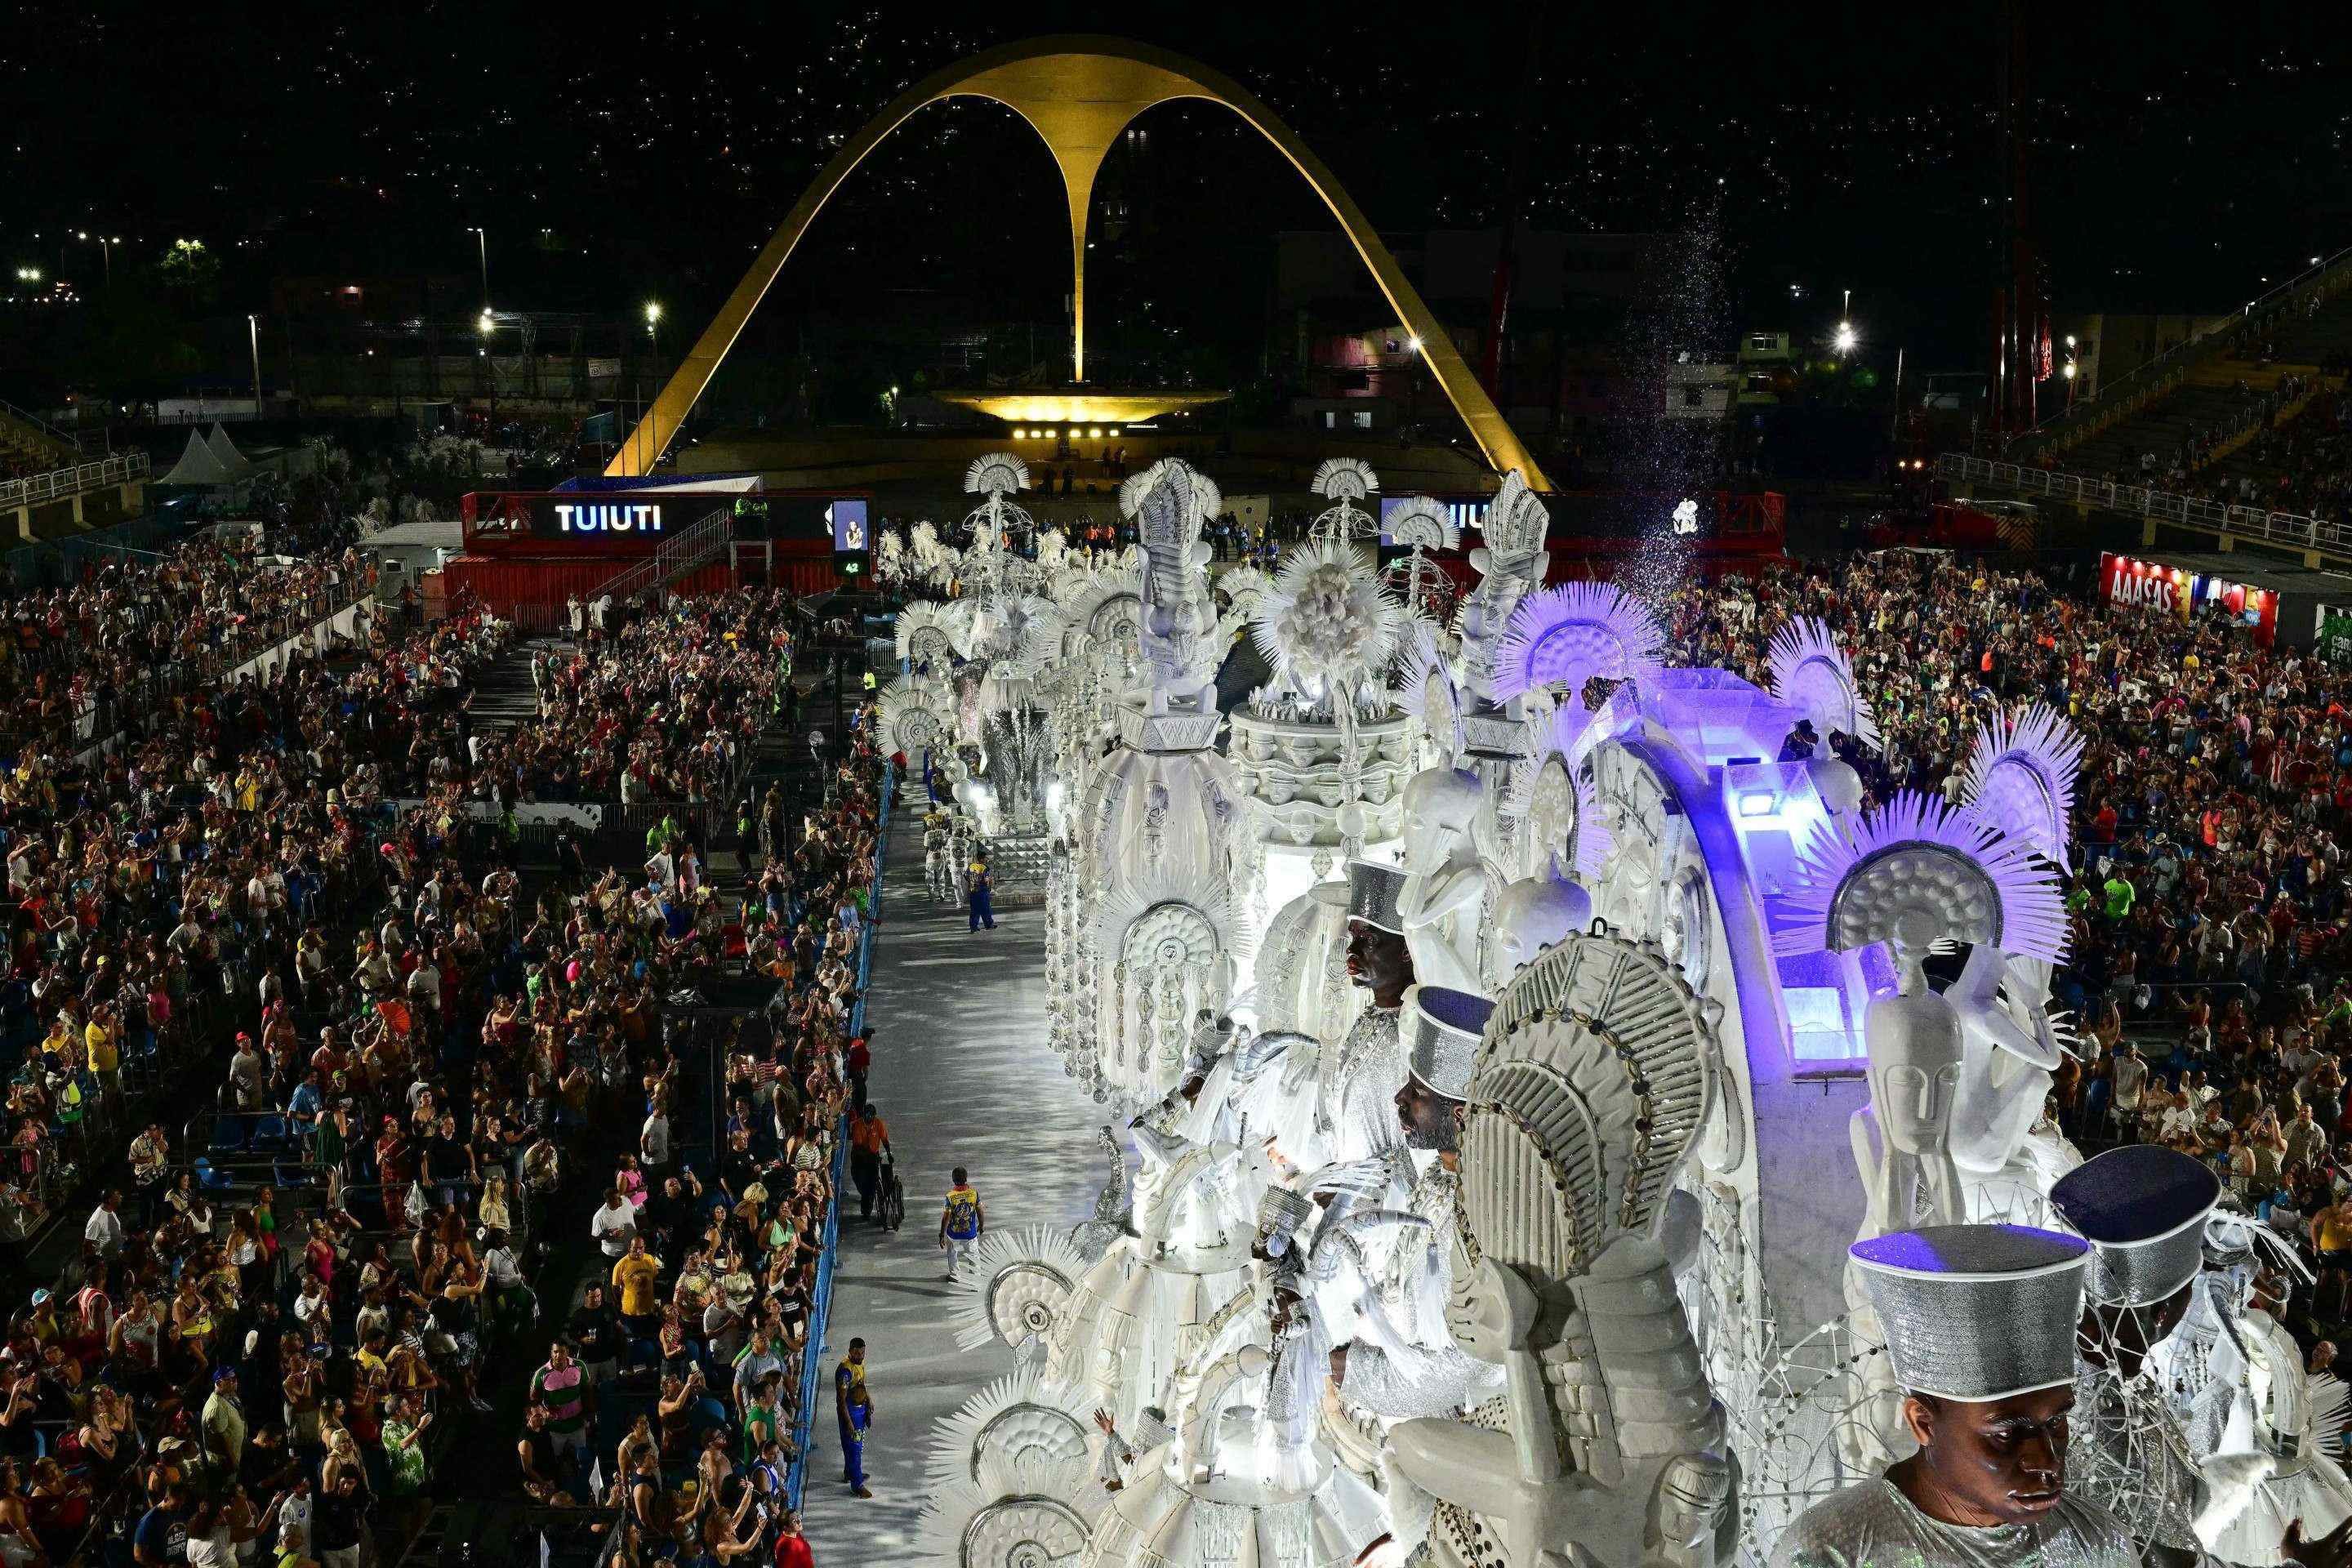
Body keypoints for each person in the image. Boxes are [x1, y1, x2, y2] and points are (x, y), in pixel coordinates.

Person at [1770, 1224, 2135, 1567]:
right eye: (2004, 1433)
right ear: (1923, 1423)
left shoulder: (2097, 1544)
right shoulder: (1832, 1552)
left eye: (2055, 1422)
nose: (2046, 1460)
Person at [833, 1339, 872, 1499]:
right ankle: (857, 1485)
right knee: (854, 1448)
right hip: (851, 1413)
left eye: (862, 1353)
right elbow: (841, 1401)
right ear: (850, 1351)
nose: (860, 1356)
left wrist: (869, 1400)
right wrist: (848, 1422)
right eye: (857, 1353)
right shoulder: (845, 1371)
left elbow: (861, 1384)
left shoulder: (859, 1364)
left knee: (857, 1445)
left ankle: (850, 1472)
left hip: (860, 1410)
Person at [940, 1168, 983, 1281]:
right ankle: (975, 1279)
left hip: (953, 1234)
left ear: (953, 1179)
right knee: (974, 1256)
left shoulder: (950, 1196)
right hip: (970, 1234)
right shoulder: (974, 1193)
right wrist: (981, 1225)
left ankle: (955, 1275)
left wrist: (942, 1234)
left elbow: (946, 1217)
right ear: (966, 1178)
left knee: (952, 1253)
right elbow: (980, 1211)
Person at [849, 1105, 889, 1223]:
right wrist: (869, 1155)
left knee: (871, 1184)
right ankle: (864, 1194)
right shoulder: (857, 1125)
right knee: (859, 1180)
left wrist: (889, 1153)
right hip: (859, 1157)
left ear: (874, 1115)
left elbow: (885, 1140)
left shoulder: (879, 1124)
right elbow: (858, 1146)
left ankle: (867, 1210)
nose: (868, 1116)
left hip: (872, 1157)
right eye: (866, 1114)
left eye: (871, 1115)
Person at [967, 859, 995, 932]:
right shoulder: (984, 867)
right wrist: (989, 887)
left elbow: (965, 875)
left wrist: (971, 884)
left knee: (974, 910)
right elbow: (986, 880)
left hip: (973, 891)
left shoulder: (971, 866)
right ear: (982, 859)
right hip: (982, 891)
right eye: (985, 858)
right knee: (986, 909)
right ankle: (989, 925)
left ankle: (973, 927)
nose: (986, 860)